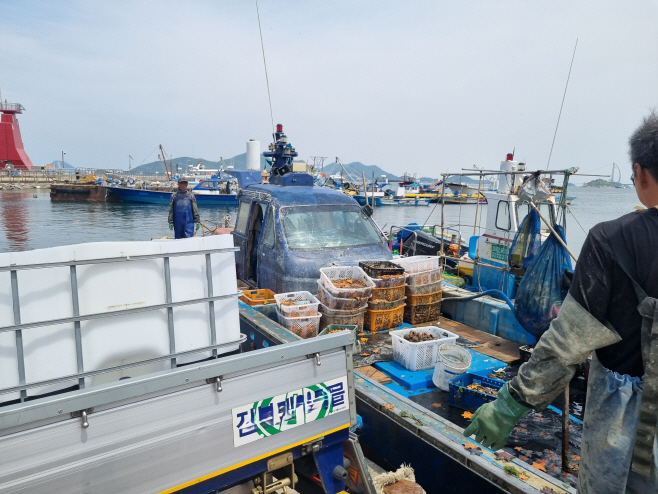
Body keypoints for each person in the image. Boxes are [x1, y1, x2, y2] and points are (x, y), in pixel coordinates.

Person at [464, 110, 658, 494]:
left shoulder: (612, 240)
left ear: (640, 173)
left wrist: (507, 406)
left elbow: (565, 345)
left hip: (627, 430)